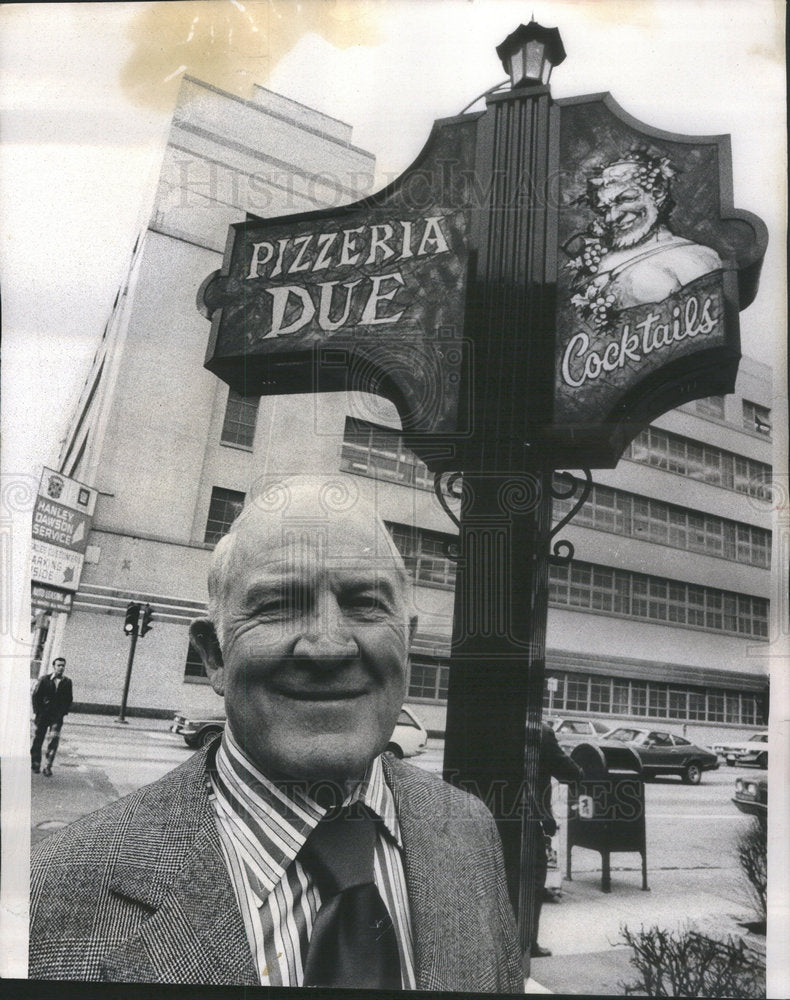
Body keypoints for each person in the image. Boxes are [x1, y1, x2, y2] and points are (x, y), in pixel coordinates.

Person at [29, 476, 523, 991]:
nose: (328, 647)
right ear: (214, 656)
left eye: (364, 603)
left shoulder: (469, 829)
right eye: (278, 605)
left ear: (407, 642)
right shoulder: (51, 896)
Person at [566, 150, 722, 322]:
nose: (612, 217)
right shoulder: (598, 260)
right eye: (605, 208)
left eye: (625, 199)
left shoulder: (697, 258)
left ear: (657, 193)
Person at [528, 722, 584, 959]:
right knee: (532, 880)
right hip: (529, 818)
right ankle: (527, 943)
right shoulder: (540, 730)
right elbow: (569, 771)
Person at [30, 656, 73, 777]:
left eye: (63, 665)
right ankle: (36, 763)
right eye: (59, 665)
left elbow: (69, 699)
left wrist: (63, 712)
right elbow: (36, 696)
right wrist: (38, 712)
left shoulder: (67, 682)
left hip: (56, 717)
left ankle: (48, 766)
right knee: (38, 739)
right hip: (43, 716)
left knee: (53, 741)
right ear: (54, 666)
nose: (61, 668)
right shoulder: (44, 679)